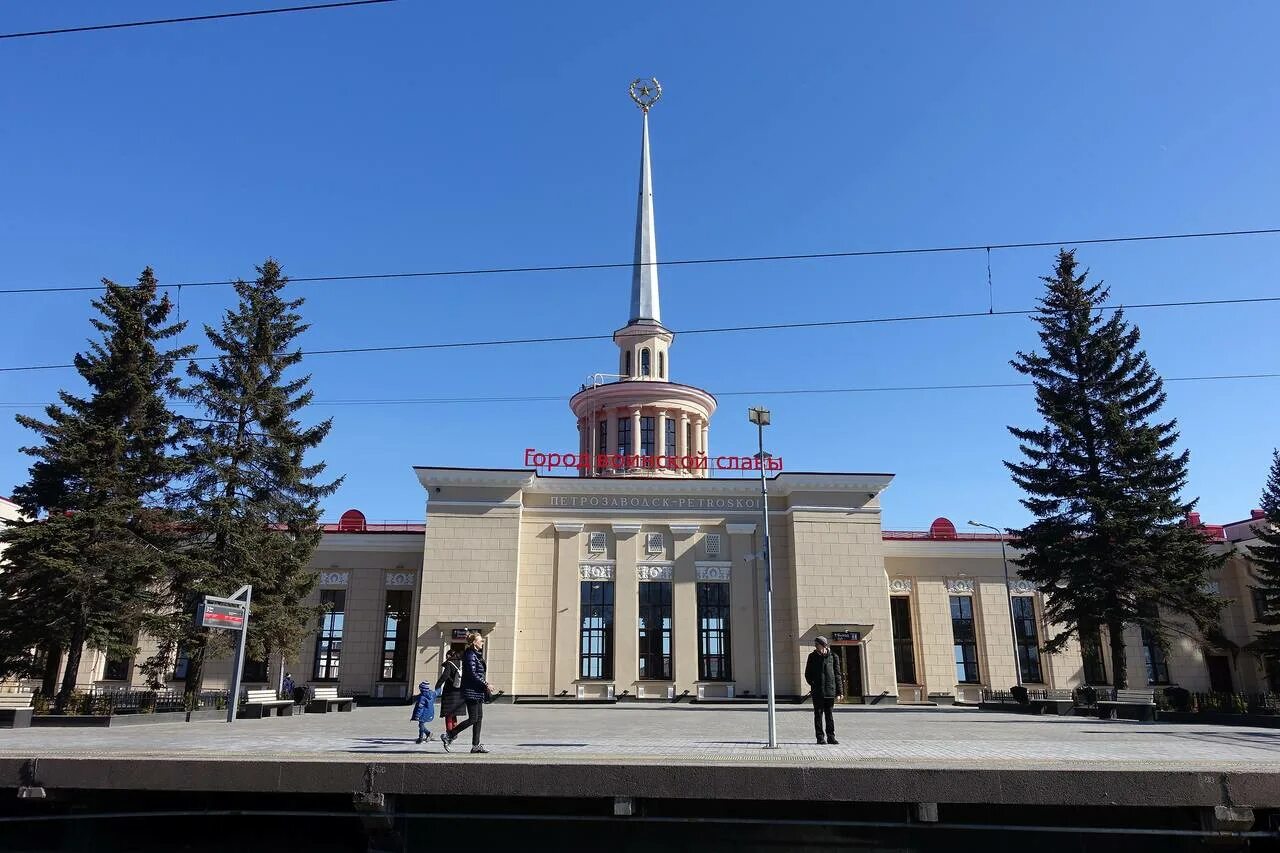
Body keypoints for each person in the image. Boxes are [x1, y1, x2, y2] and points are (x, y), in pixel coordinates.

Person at [440, 632, 494, 754]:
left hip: (477, 690)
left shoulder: (476, 654)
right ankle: (450, 735)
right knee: (473, 718)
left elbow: (479, 673)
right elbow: (472, 674)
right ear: (474, 642)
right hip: (471, 691)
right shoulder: (470, 655)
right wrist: (486, 684)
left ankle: (476, 745)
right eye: (480, 640)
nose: (482, 642)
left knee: (478, 718)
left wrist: (484, 684)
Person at [804, 636, 843, 745]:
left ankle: (831, 737)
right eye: (815, 644)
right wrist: (813, 684)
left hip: (830, 691)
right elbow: (808, 674)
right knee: (818, 715)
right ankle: (820, 737)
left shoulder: (833, 656)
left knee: (829, 715)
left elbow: (837, 674)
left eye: (817, 644)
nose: (816, 646)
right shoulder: (812, 657)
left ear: (824, 645)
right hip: (818, 691)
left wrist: (839, 692)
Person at [435, 648, 465, 739]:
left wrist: (438, 686)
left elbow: (445, 676)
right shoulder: (461, 663)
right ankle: (455, 732)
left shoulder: (449, 663)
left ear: (448, 656)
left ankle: (449, 732)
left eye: (446, 656)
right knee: (454, 713)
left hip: (450, 692)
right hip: (459, 692)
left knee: (448, 714)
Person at [410, 680, 438, 744]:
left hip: (423, 714)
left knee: (421, 725)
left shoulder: (422, 698)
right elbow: (437, 692)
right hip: (430, 713)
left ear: (422, 690)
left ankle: (421, 738)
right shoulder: (432, 694)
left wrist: (417, 716)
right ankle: (427, 734)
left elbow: (420, 708)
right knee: (421, 725)